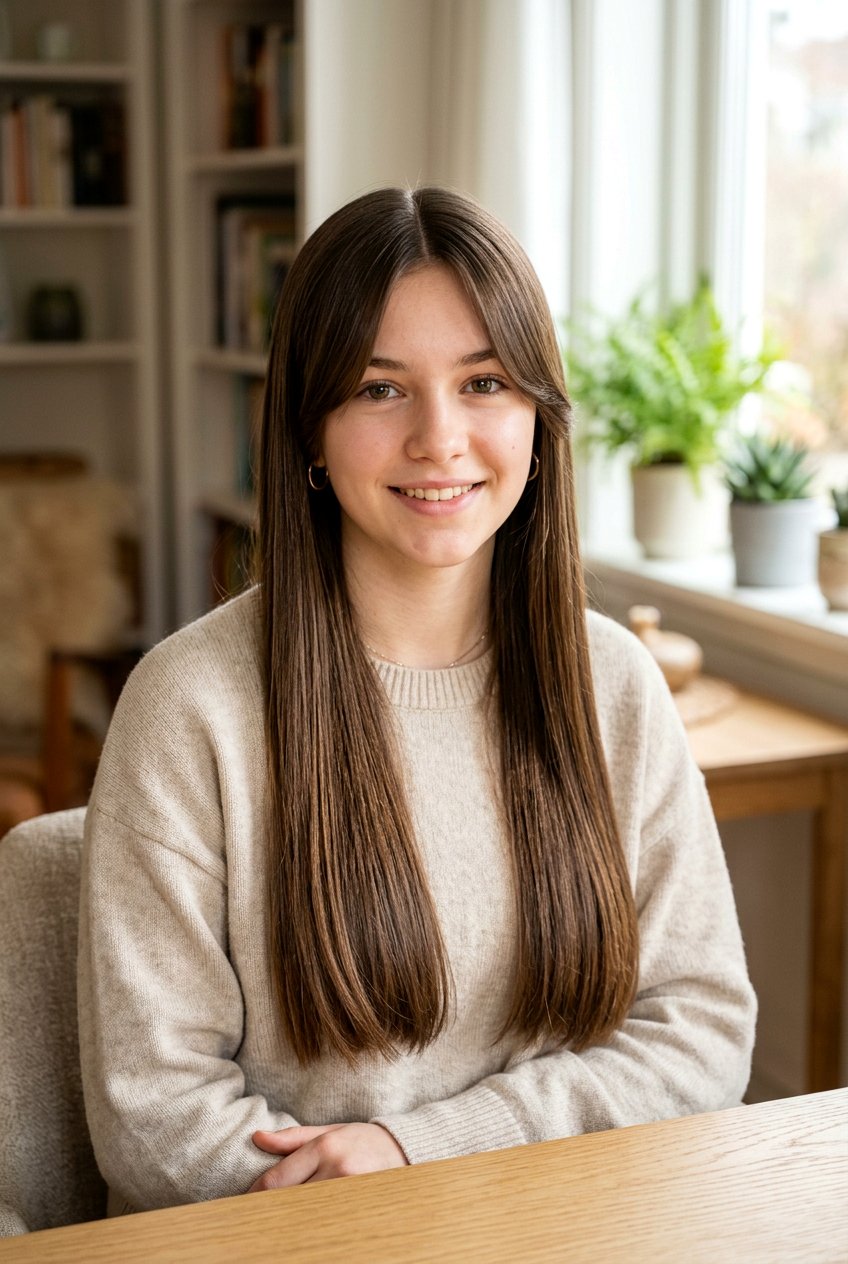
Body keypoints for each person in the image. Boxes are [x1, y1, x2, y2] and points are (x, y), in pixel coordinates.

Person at [78, 186, 756, 1212]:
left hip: (565, 1227)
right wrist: (376, 1202)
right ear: (308, 427)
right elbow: (153, 1117)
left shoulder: (611, 682)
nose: (439, 439)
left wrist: (421, 1148)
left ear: (536, 415)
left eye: (483, 381)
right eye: (378, 388)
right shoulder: (191, 707)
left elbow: (700, 1028)